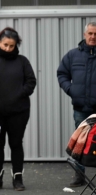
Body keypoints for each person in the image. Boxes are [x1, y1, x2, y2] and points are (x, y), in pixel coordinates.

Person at [0, 27, 36, 191]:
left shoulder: (22, 61)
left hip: (18, 112)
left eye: (11, 46)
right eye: (5, 45)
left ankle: (17, 179)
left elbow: (31, 82)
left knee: (16, 143)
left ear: (15, 46)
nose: (8, 48)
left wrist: (18, 94)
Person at [57, 21, 96, 187]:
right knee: (80, 143)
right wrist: (71, 90)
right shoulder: (73, 55)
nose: (93, 37)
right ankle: (80, 177)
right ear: (84, 34)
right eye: (90, 33)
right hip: (81, 109)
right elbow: (62, 74)